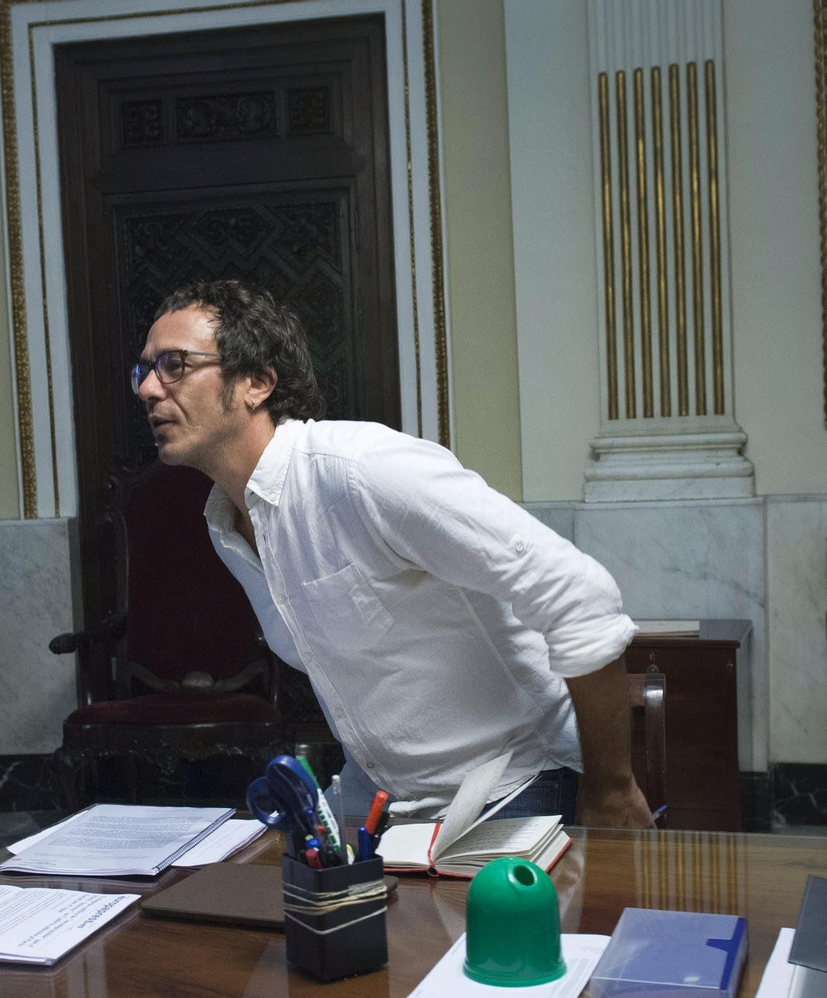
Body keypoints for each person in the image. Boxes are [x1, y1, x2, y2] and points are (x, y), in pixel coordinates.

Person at [134, 279, 654, 828]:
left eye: (173, 365)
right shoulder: (225, 523)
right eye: (143, 370)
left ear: (256, 383)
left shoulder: (362, 470)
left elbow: (580, 594)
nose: (147, 389)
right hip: (386, 802)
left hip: (515, 785)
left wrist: (612, 791)